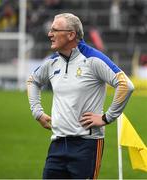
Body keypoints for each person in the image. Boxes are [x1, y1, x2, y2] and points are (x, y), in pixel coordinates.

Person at [27, 13, 134, 179]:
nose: (49, 34)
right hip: (57, 144)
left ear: (71, 34)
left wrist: (107, 118)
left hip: (87, 145)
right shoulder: (52, 62)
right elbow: (33, 81)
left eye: (55, 30)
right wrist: (37, 112)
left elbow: (125, 85)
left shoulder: (93, 59)